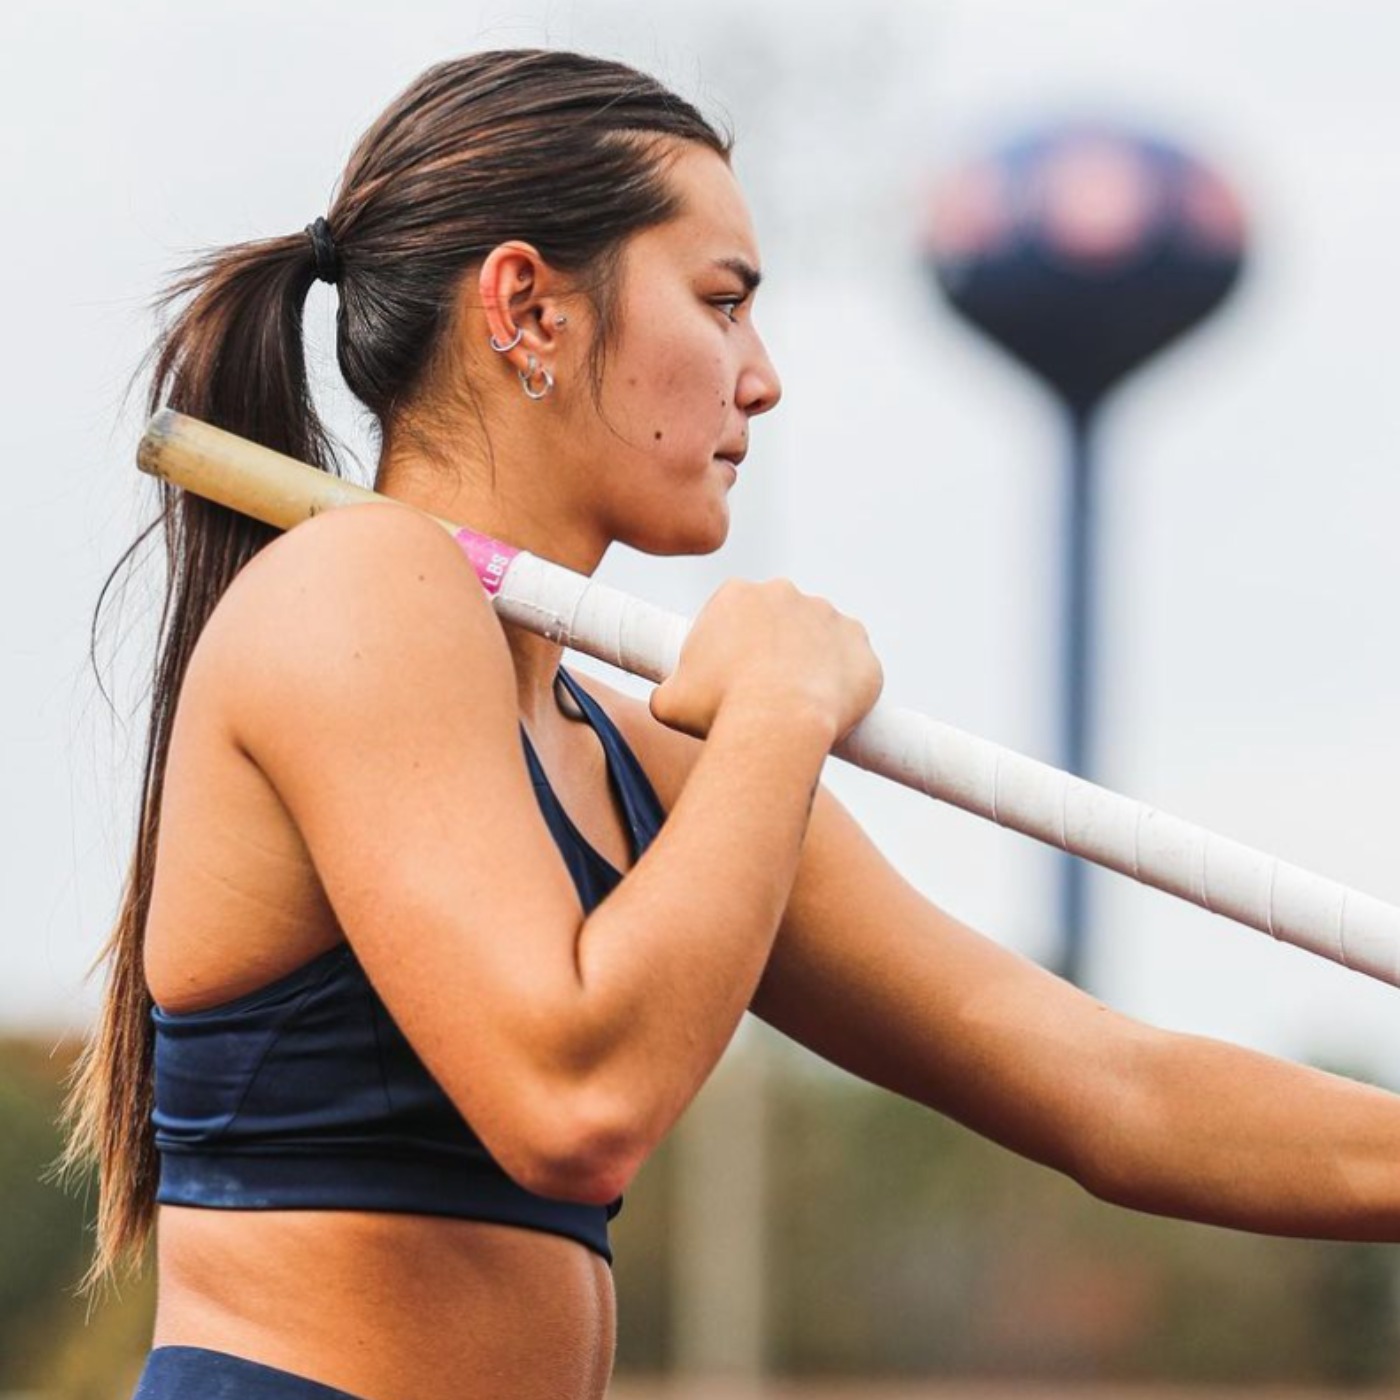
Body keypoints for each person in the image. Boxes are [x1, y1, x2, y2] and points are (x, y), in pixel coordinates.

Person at [62, 48, 1400, 1400]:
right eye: (722, 304)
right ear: (528, 308)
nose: (761, 380)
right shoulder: (363, 588)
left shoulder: (646, 759)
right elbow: (573, 1104)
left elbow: (1116, 1091)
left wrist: (759, 732)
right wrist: (777, 714)